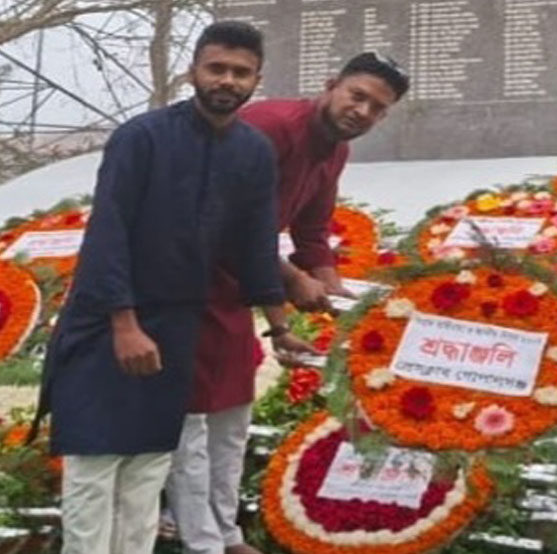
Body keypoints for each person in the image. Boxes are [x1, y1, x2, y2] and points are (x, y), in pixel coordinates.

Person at [32, 21, 284, 554]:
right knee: (96, 463)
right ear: (193, 72)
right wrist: (124, 323)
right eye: (217, 68)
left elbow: (255, 244)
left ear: (256, 81)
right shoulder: (141, 137)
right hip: (106, 320)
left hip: (176, 326)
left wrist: (280, 327)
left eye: (240, 72)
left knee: (148, 467)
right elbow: (108, 231)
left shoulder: (254, 152)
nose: (227, 80)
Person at [164, 52, 410, 554]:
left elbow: (312, 234)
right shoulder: (269, 127)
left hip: (236, 289)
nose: (362, 111)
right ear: (330, 84)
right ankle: (199, 540)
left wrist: (337, 295)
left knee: (232, 416)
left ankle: (226, 534)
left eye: (377, 108)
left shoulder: (334, 149)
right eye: (357, 96)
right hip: (184, 287)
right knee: (190, 421)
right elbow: (224, 222)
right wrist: (293, 282)